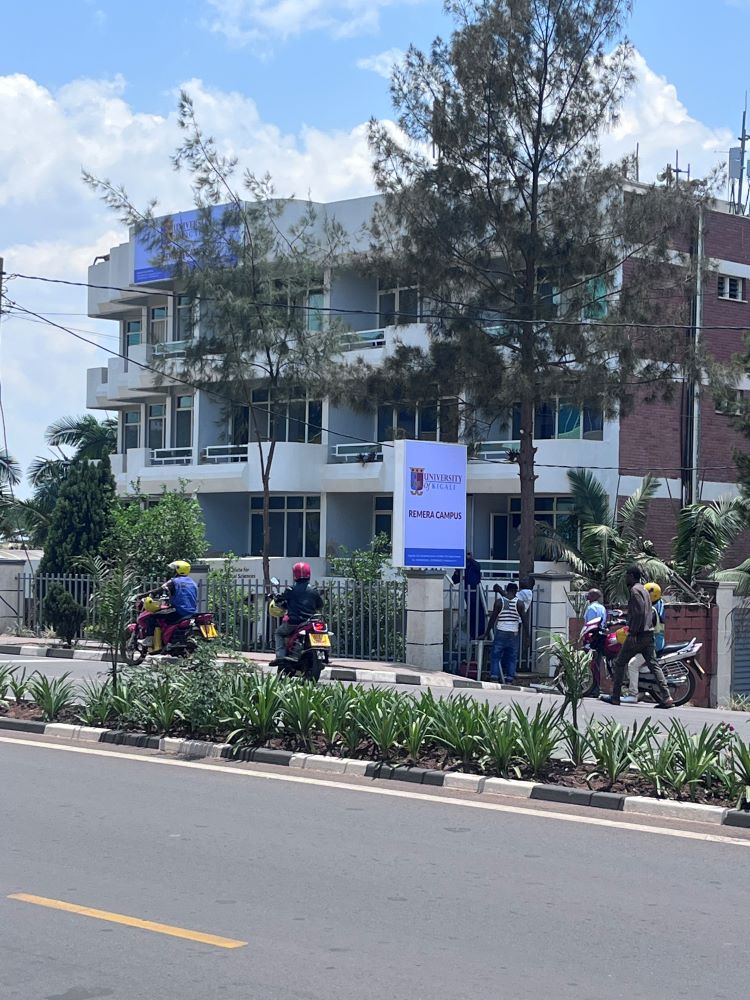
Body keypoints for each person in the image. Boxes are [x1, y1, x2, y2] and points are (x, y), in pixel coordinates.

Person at [602, 566, 674, 708]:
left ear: (632, 576)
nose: (625, 579)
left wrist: (633, 632)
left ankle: (615, 697)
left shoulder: (634, 591)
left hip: (638, 634)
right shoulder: (644, 591)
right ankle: (667, 697)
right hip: (649, 634)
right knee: (653, 665)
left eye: (626, 575)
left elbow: (640, 613)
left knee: (620, 662)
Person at [271, 562, 324, 664]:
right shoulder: (314, 590)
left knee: (279, 633)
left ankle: (280, 657)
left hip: (294, 622)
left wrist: (276, 597)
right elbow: (320, 605)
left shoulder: (290, 590)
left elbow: (280, 599)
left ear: (295, 574)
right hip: (310, 622)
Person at [143, 559, 198, 648]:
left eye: (174, 569)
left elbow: (160, 590)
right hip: (192, 612)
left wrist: (147, 594)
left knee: (152, 617)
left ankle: (149, 639)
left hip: (179, 611)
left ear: (178, 570)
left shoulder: (174, 581)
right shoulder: (193, 583)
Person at [484, 581, 527, 682]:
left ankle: (494, 676)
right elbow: (525, 621)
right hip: (514, 633)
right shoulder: (520, 604)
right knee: (512, 657)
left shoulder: (499, 602)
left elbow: (493, 619)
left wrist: (486, 633)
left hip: (501, 631)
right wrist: (527, 637)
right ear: (516, 591)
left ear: (507, 590)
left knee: (496, 655)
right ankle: (509, 679)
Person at [452, 552, 485, 640]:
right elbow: (454, 580)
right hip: (467, 593)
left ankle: (479, 635)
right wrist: (457, 571)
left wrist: (471, 559)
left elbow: (477, 569)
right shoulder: (461, 567)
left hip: (477, 592)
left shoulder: (474, 564)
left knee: (479, 615)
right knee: (471, 615)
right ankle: (473, 635)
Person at [583, 588, 607, 698]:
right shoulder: (602, 608)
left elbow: (591, 625)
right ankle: (595, 688)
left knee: (591, 665)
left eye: (589, 594)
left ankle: (593, 689)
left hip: (592, 639)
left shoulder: (591, 608)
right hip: (600, 638)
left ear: (593, 596)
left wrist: (588, 639)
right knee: (597, 663)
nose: (587, 596)